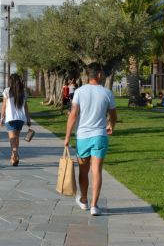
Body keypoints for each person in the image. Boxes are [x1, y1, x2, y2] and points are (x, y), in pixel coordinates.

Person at [64, 63, 117, 216]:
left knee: (83, 170)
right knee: (97, 171)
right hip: (100, 135)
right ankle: (94, 205)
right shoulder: (107, 93)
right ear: (99, 74)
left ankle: (84, 200)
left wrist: (67, 136)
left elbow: (73, 115)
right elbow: (113, 115)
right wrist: (110, 125)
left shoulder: (79, 92)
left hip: (82, 137)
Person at [0, 73, 31, 166]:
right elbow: (26, 107)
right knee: (16, 138)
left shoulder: (7, 91)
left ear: (11, 81)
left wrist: (2, 118)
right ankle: (14, 156)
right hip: (21, 118)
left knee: (12, 138)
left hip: (10, 118)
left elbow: (4, 106)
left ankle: (15, 154)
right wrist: (28, 119)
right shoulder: (23, 91)